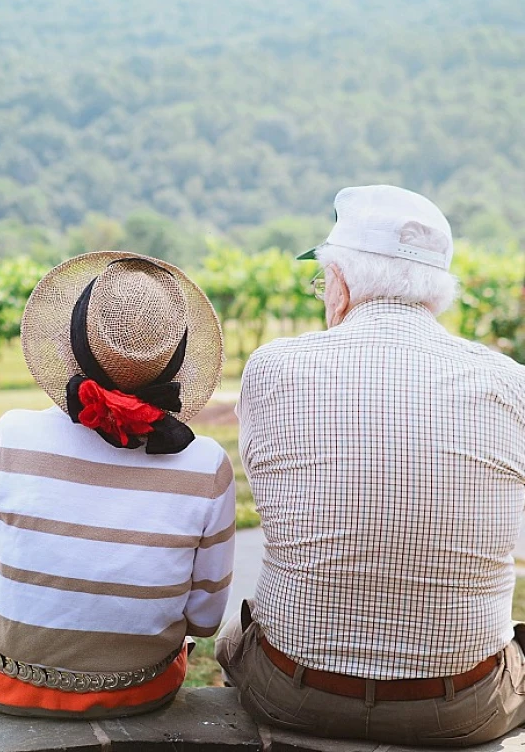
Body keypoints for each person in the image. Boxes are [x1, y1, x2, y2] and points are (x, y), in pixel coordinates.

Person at [216, 185, 525, 746]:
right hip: (463, 708)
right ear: (437, 291)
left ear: (343, 281)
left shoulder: (275, 367)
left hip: (293, 693)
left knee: (236, 633)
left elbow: (273, 503)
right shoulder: (510, 381)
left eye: (323, 279)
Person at [0, 252, 236, 718]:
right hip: (140, 691)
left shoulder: (12, 436)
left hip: (0, 682)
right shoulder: (206, 465)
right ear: (174, 362)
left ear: (73, 342)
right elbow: (205, 620)